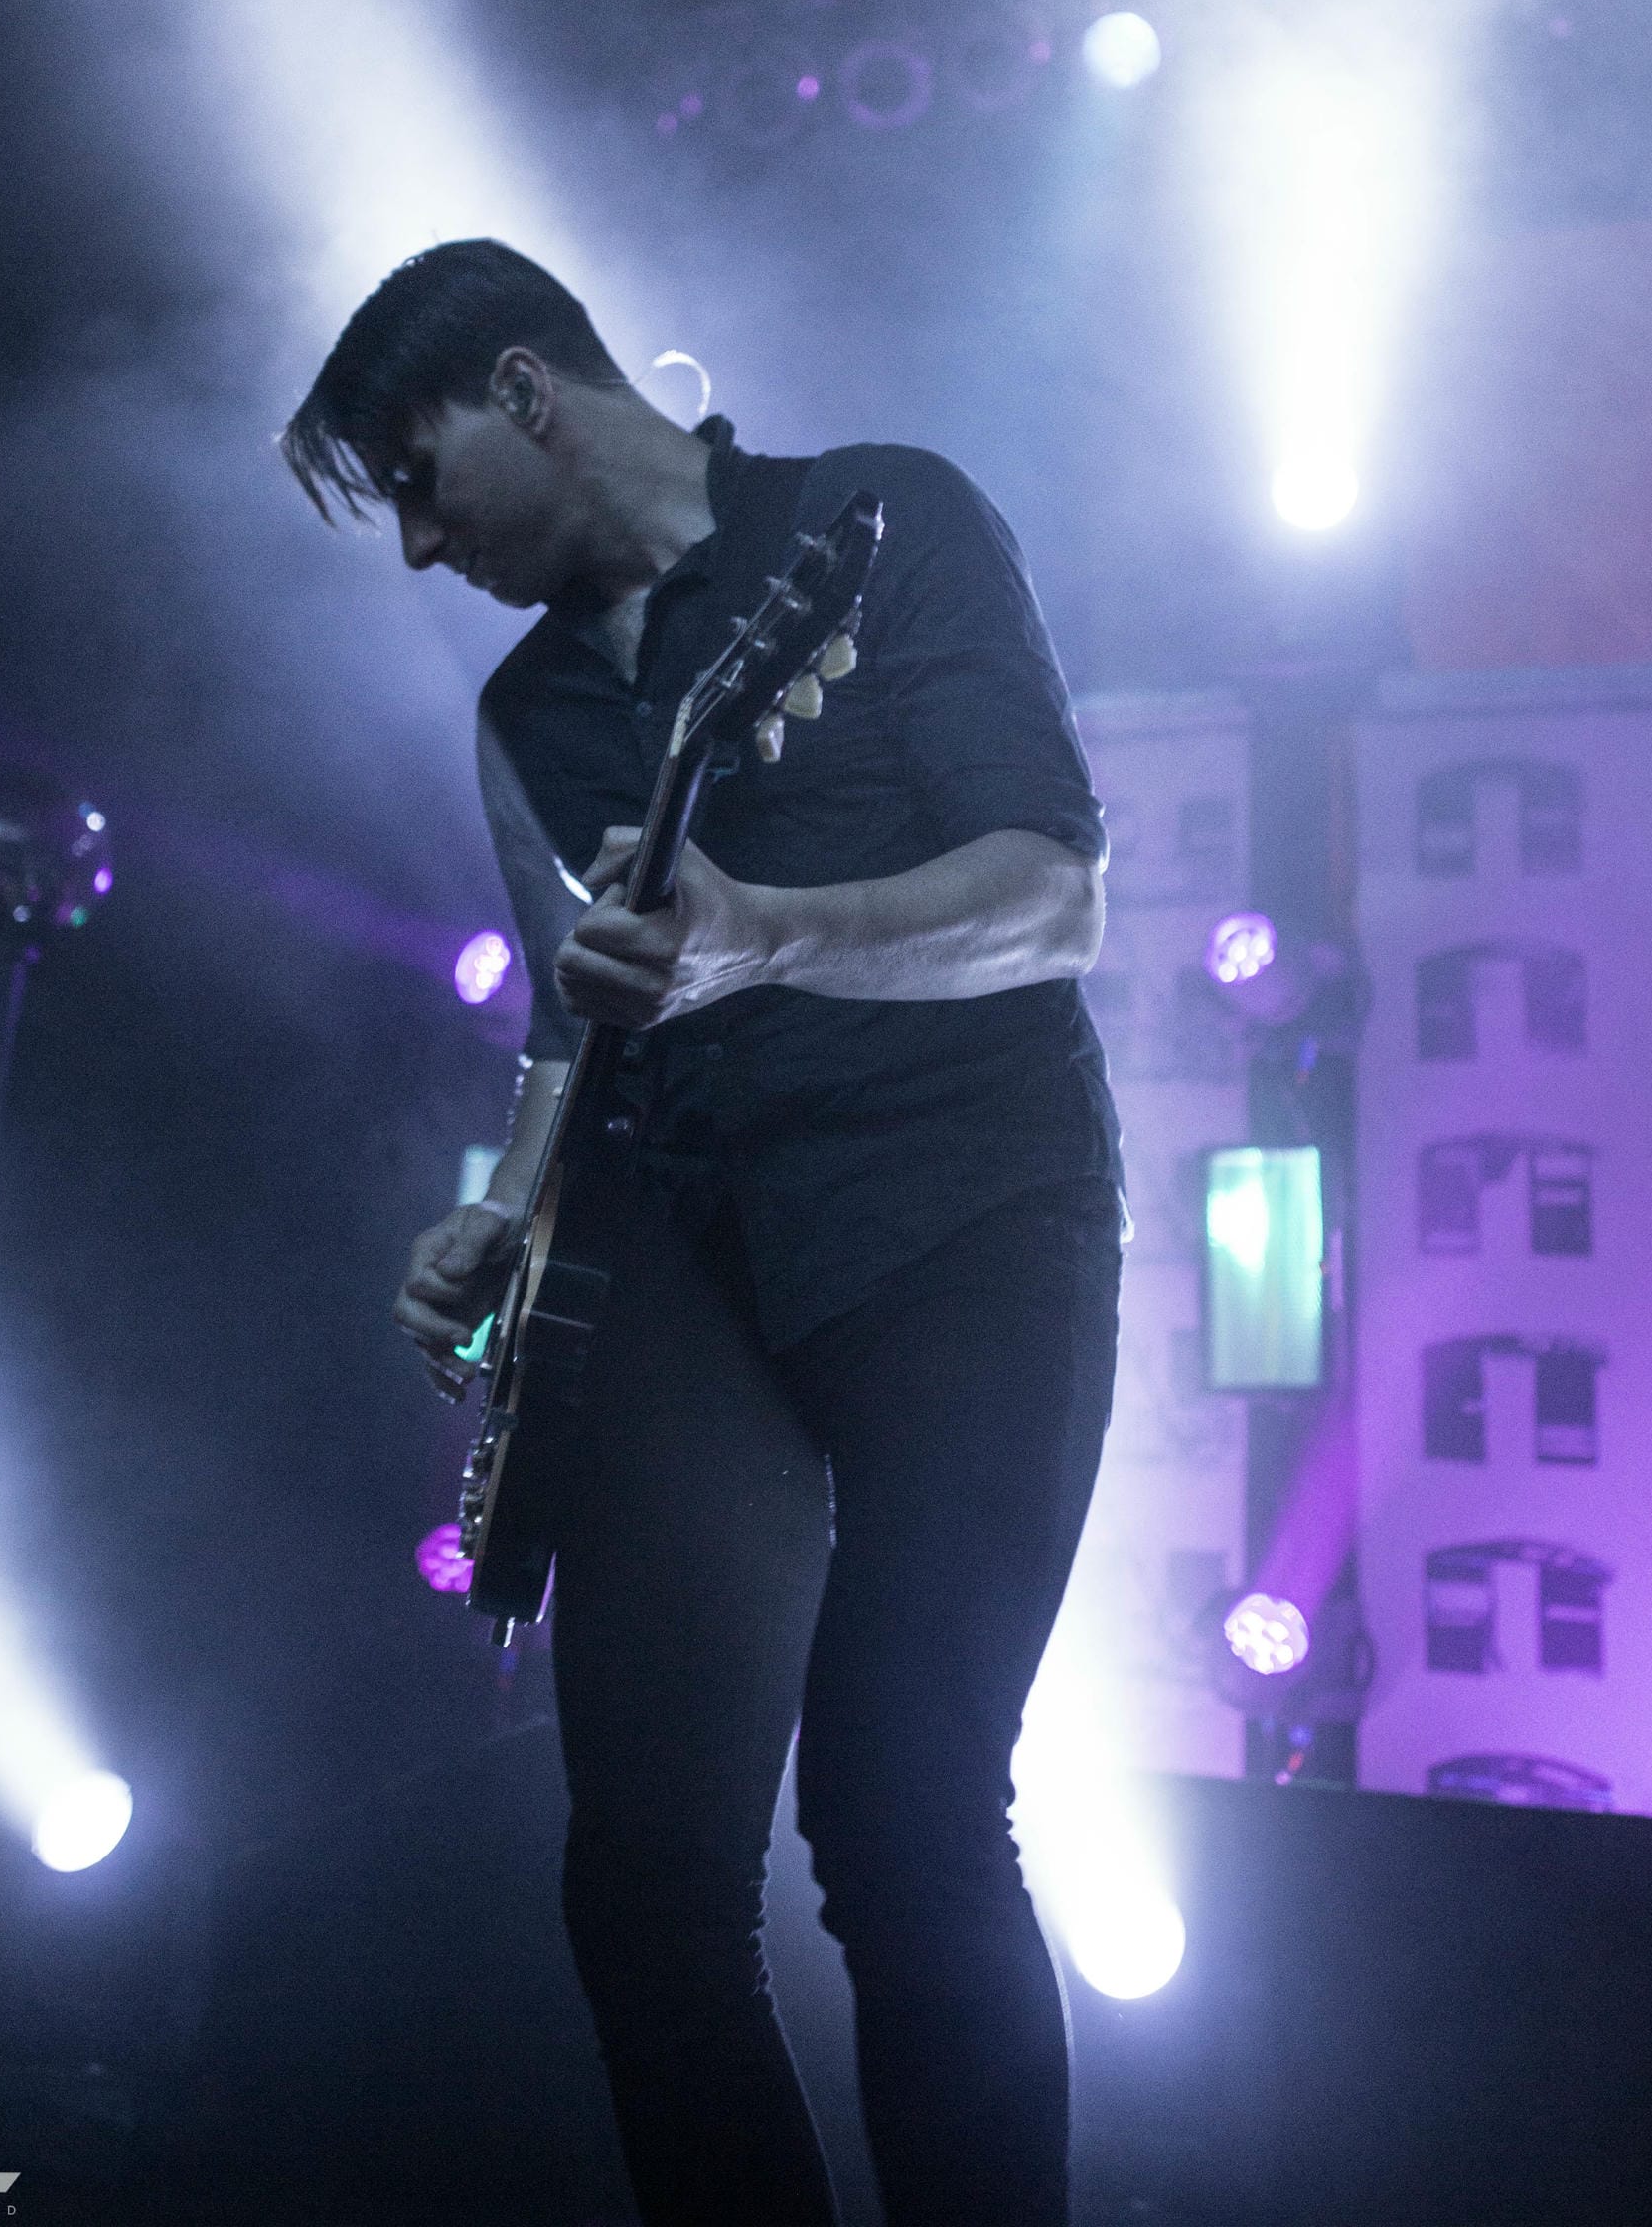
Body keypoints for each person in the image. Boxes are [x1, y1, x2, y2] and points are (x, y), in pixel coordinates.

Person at [282, 239, 1125, 2227]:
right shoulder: (521, 710)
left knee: (904, 1813)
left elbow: (1051, 897)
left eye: (421, 481)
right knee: (641, 1888)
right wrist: (497, 1215)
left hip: (965, 1212)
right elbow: (571, 1022)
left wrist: (769, 936)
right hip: (691, 1253)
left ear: (526, 390)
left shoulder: (878, 518)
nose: (421, 546)